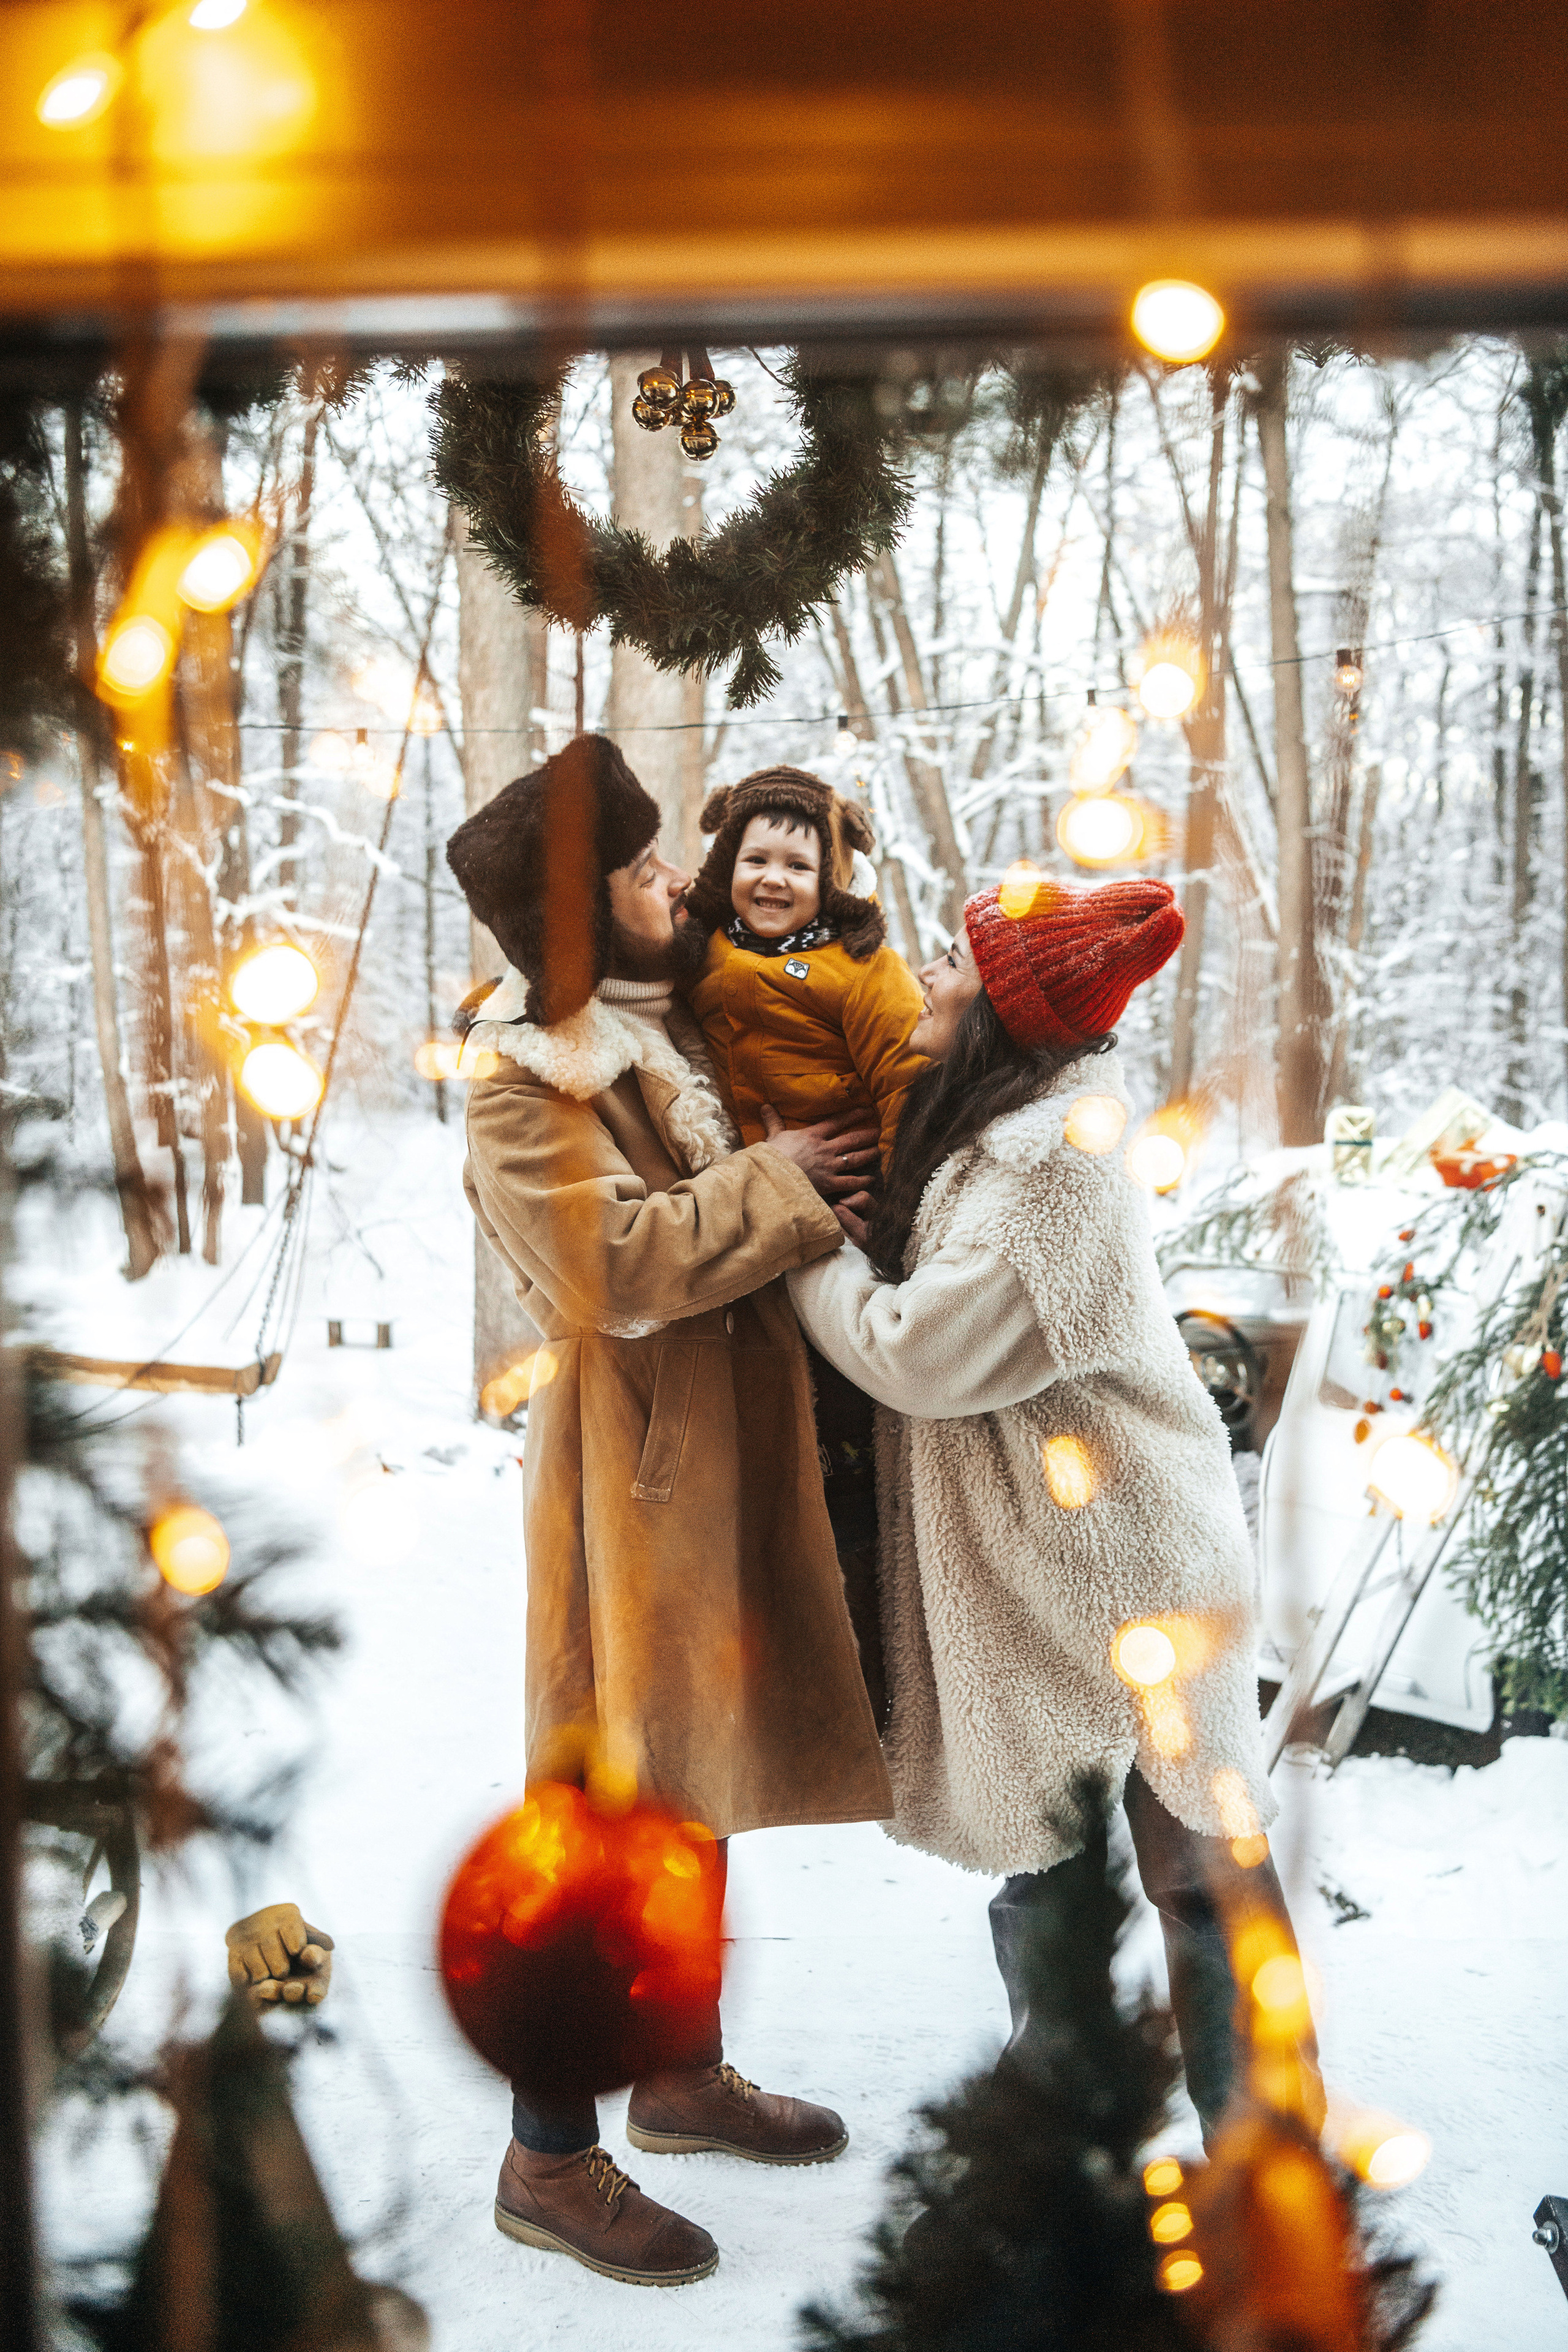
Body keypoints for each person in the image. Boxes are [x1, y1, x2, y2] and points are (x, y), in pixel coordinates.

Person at [445, 736, 892, 2288]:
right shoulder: (518, 1078)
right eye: (638, 874)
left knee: (685, 1778)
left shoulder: (670, 1019)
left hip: (721, 1461)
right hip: (629, 1482)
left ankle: (682, 2073)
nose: (671, 885)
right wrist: (773, 1183)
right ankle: (547, 2157)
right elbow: (601, 1269)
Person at [786, 873, 1322, 2144]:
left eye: (956, 965)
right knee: (1052, 1856)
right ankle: (1068, 2147)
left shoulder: (1050, 1170)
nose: (928, 972)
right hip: (1058, 1559)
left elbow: (918, 1351)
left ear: (1005, 1015)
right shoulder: (1002, 1127)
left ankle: (1261, 2157)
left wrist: (810, 1252)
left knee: (1191, 1864)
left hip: (1124, 1559)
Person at [681, 765, 928, 1724]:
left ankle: (864, 1673)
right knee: (755, 1439)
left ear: (834, 876)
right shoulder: (692, 948)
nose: (775, 877)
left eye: (800, 860)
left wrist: (897, 1218)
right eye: (756, 857)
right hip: (744, 1209)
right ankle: (759, 1656)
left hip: (845, 1218)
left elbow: (908, 1081)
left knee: (841, 1440)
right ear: (725, 863)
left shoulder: (862, 967)